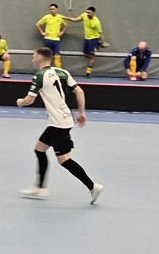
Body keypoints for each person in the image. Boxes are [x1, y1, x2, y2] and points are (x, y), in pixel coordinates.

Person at [15, 47, 103, 204]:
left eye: (34, 56)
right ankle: (40, 187)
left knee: (64, 160)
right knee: (39, 149)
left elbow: (29, 100)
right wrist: (82, 113)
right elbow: (80, 92)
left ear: (41, 58)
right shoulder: (63, 72)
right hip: (62, 120)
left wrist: (20, 102)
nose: (32, 59)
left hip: (58, 124)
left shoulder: (39, 76)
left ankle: (92, 186)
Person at [62, 6, 105, 77]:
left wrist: (102, 42)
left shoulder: (96, 22)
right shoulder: (84, 15)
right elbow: (76, 20)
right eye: (87, 12)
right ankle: (98, 45)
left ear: (93, 13)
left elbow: (100, 34)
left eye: (89, 13)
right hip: (86, 39)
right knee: (85, 55)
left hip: (93, 39)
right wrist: (66, 18)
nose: (87, 14)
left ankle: (88, 72)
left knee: (92, 56)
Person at [35, 4, 68, 68]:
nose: (51, 10)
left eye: (53, 9)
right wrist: (42, 32)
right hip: (48, 39)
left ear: (56, 9)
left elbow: (66, 25)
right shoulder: (46, 17)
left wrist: (62, 32)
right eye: (50, 9)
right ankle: (45, 69)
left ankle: (58, 70)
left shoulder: (60, 17)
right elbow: (37, 24)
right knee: (46, 55)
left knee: (57, 56)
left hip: (56, 40)